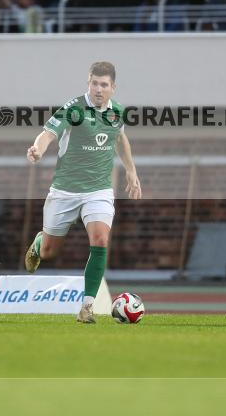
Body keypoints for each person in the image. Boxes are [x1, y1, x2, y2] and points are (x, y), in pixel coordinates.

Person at [23, 62, 141, 324]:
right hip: (64, 191)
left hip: (98, 190)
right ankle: (41, 241)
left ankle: (87, 307)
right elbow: (48, 133)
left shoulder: (117, 112)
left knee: (100, 239)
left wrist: (131, 170)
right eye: (94, 83)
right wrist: (38, 149)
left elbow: (120, 139)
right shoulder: (73, 108)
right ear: (88, 82)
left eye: (104, 85)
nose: (98, 89)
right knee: (49, 253)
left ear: (113, 87)